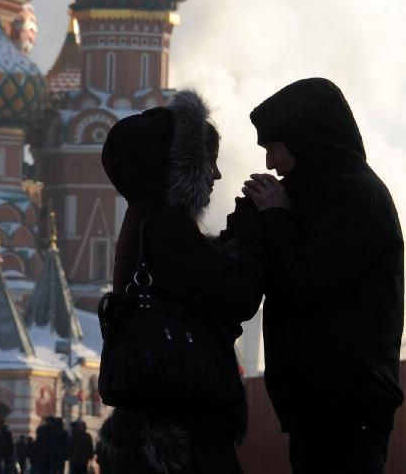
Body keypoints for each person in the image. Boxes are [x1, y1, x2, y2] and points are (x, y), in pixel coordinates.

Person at [101, 90, 265, 473]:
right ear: (181, 167)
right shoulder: (166, 227)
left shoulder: (145, 219)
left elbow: (196, 277)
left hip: (154, 426)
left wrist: (232, 241)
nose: (217, 175)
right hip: (180, 433)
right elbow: (236, 297)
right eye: (209, 162)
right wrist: (256, 233)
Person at [245, 78, 404, 473]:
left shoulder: (354, 196)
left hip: (347, 410)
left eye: (273, 147)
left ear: (304, 139)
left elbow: (309, 284)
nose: (269, 163)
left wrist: (277, 218)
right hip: (321, 407)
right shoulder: (313, 194)